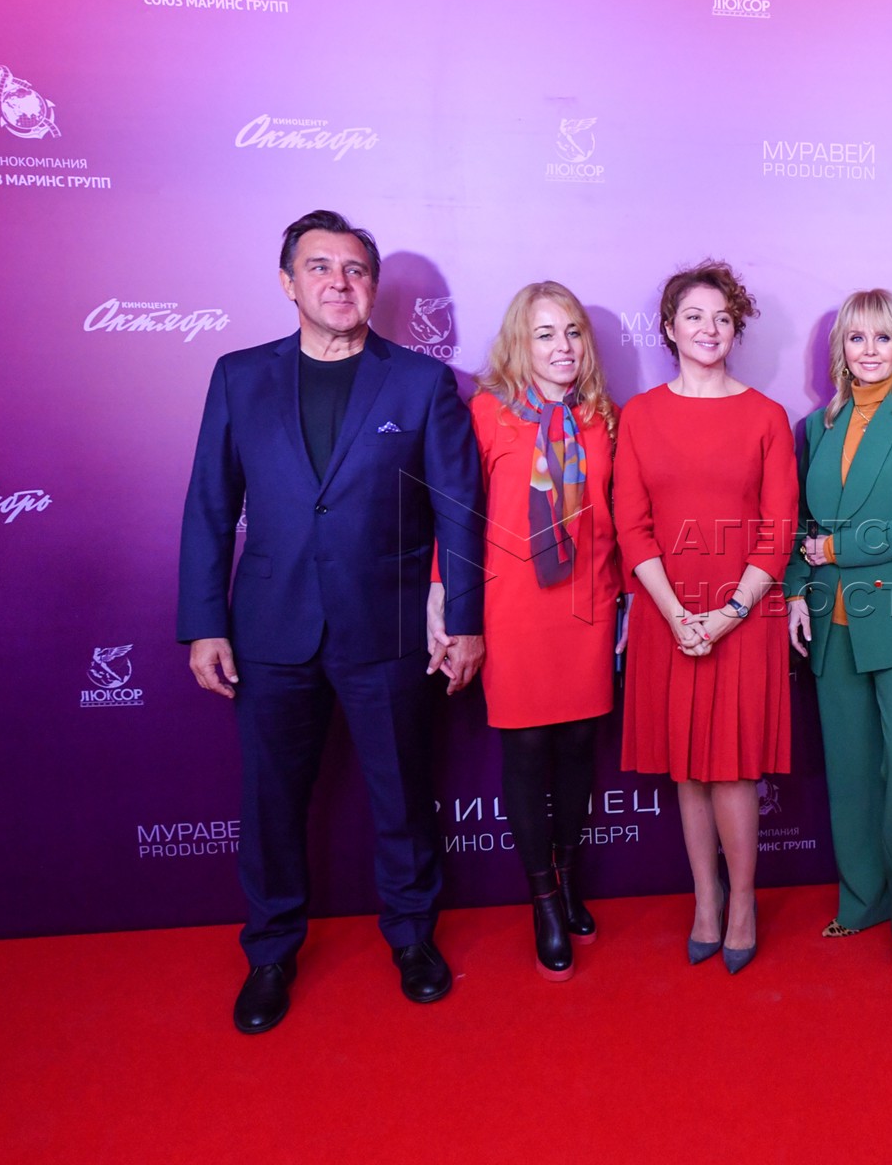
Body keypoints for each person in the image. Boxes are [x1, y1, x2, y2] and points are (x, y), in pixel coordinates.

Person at [177, 210, 485, 1033]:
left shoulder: (421, 383)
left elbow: (458, 511)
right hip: (270, 629)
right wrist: (204, 623)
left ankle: (412, 938)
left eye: (355, 270)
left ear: (373, 288)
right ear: (288, 283)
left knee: (403, 795)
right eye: (319, 267)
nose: (339, 283)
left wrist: (464, 618)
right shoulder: (239, 376)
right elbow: (210, 507)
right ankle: (271, 953)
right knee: (271, 802)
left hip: (387, 629)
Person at [613, 260, 797, 975]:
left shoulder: (766, 417)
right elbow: (632, 526)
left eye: (722, 318)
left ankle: (743, 903)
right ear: (669, 328)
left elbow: (778, 531)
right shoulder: (640, 415)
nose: (709, 329)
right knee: (687, 768)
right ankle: (705, 901)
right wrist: (676, 614)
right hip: (667, 612)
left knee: (734, 769)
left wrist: (727, 613)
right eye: (694, 316)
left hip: (743, 612)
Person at [784, 290, 892, 982]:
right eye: (857, 338)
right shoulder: (816, 426)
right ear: (841, 350)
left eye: (883, 337)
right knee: (851, 776)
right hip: (832, 624)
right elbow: (801, 522)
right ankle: (861, 901)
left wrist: (835, 550)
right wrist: (796, 588)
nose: (870, 350)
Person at [464, 281, 622, 982]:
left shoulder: (603, 417)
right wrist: (449, 602)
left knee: (580, 748)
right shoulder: (488, 413)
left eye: (573, 333)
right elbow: (458, 515)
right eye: (546, 334)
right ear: (519, 344)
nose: (564, 347)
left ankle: (570, 877)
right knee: (527, 752)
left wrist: (625, 602)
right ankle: (544, 901)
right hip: (513, 608)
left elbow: (619, 518)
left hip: (587, 605)